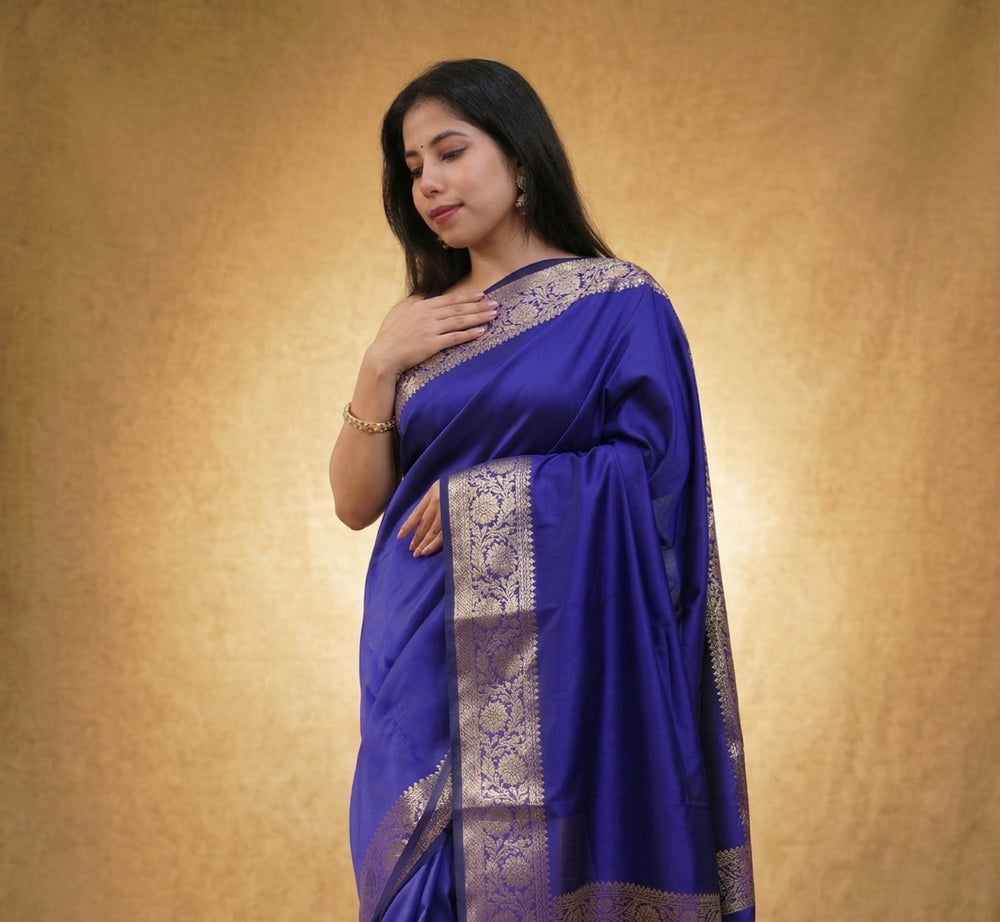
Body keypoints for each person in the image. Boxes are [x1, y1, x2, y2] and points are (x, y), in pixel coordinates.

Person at [329, 58, 754, 922]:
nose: (430, 184)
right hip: (417, 649)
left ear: (521, 160)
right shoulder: (423, 321)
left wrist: (485, 500)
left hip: (558, 654)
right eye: (412, 169)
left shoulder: (619, 305)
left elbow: (656, 483)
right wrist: (380, 364)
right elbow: (354, 502)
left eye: (451, 152)